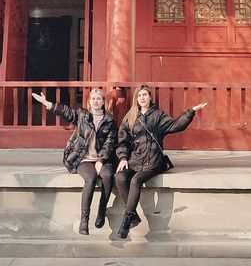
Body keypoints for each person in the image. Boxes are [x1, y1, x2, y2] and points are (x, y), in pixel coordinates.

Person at [115, 85, 207, 239]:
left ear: (150, 97)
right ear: (136, 99)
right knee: (120, 177)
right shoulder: (130, 116)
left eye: (145, 95)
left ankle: (126, 219)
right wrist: (123, 157)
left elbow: (176, 125)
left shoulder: (158, 115)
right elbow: (122, 140)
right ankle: (133, 215)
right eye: (139, 95)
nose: (142, 98)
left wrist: (191, 112)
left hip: (153, 160)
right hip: (135, 158)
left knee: (136, 180)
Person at [32, 89, 118, 235]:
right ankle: (85, 219)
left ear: (103, 102)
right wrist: (47, 103)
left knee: (108, 176)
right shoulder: (82, 115)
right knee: (90, 179)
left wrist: (100, 160)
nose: (96, 101)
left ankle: (102, 210)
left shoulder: (110, 120)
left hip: (101, 159)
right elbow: (66, 112)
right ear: (89, 101)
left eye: (99, 98)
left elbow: (110, 142)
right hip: (82, 158)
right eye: (93, 99)